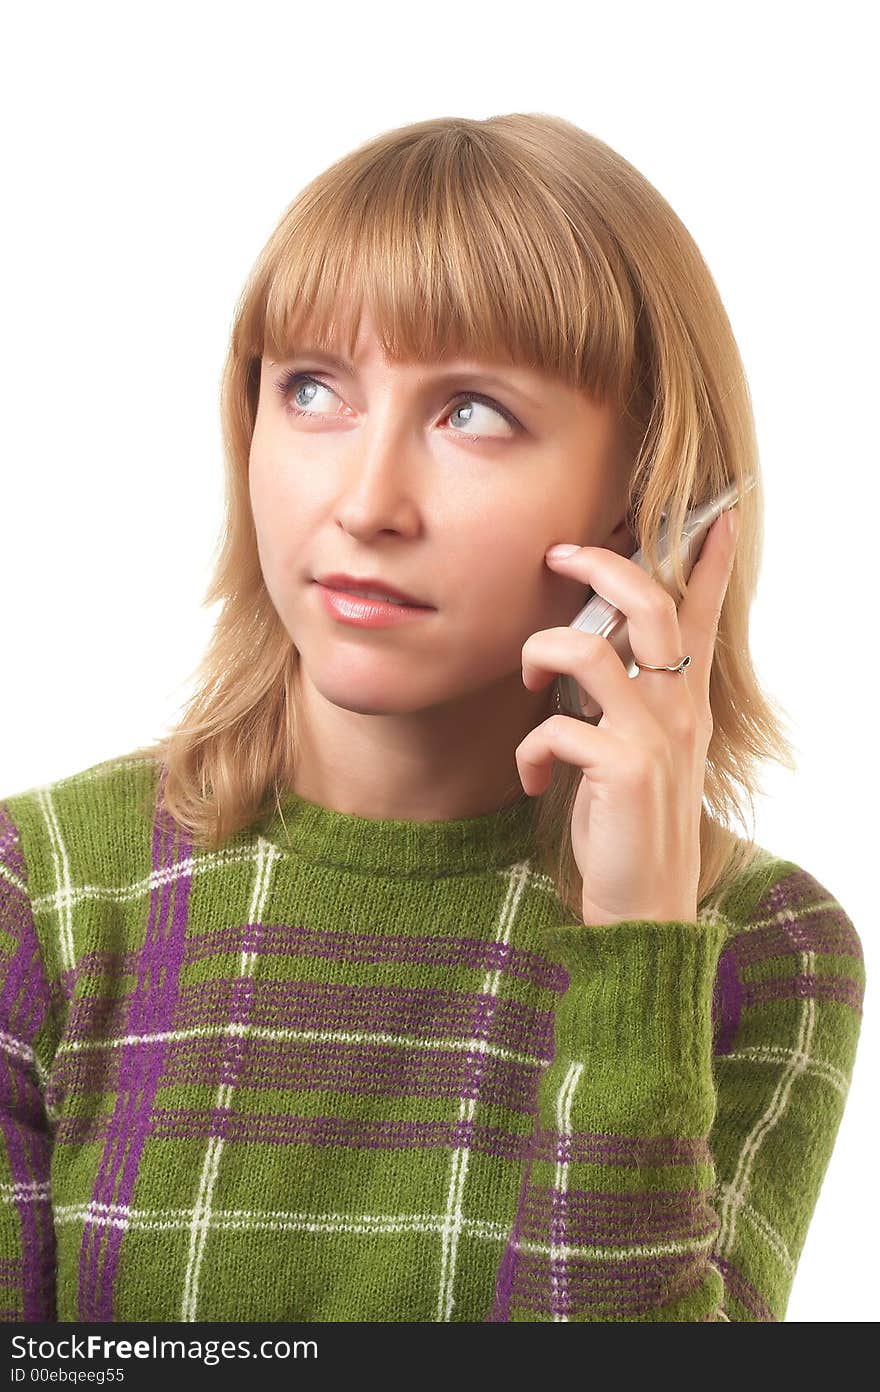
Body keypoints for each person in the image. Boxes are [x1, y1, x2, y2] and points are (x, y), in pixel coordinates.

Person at [0, 113, 864, 1323]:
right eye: (312, 390)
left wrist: (639, 951)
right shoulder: (40, 897)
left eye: (472, 414)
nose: (364, 502)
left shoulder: (763, 948)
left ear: (648, 502)